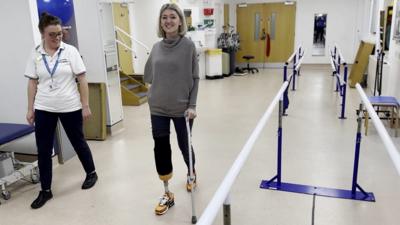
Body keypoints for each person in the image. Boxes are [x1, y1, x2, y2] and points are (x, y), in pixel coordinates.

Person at [25, 13, 98, 209]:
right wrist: (30, 108)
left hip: (70, 106)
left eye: (59, 33)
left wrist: (86, 105)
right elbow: (32, 82)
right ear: (42, 33)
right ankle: (45, 190)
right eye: (52, 35)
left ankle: (91, 173)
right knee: (43, 150)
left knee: (78, 142)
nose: (57, 38)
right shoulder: (35, 53)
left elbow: (82, 79)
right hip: (44, 107)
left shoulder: (70, 51)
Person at [144, 3, 199, 216]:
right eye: (164, 17)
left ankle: (191, 171)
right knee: (161, 147)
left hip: (182, 108)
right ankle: (167, 193)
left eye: (172, 17)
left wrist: (192, 105)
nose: (168, 21)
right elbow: (149, 75)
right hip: (157, 107)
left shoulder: (188, 46)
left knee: (184, 144)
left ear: (180, 21)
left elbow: (195, 77)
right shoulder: (156, 47)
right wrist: (153, 92)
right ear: (161, 22)